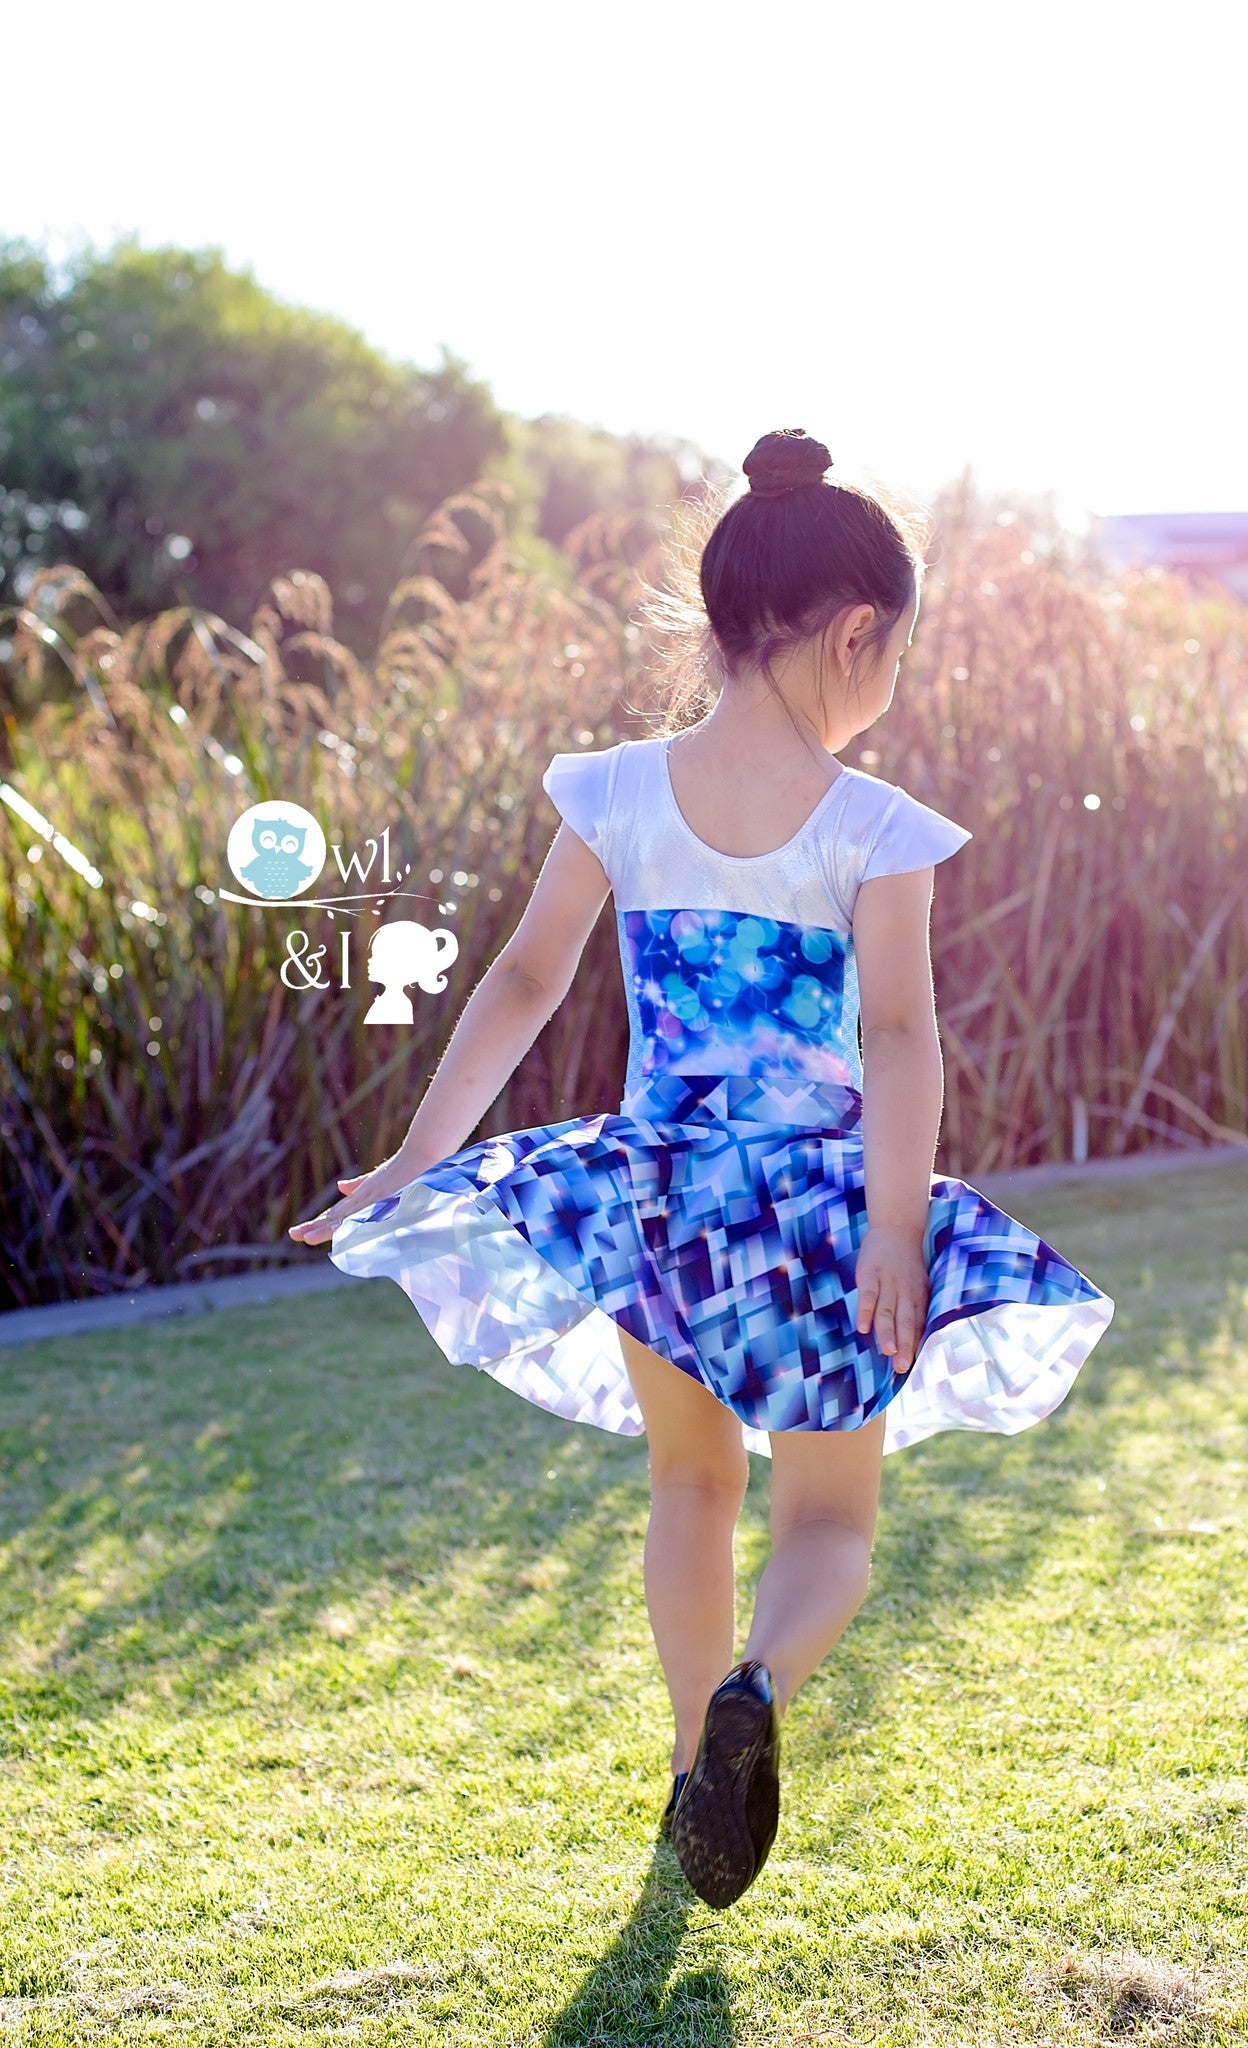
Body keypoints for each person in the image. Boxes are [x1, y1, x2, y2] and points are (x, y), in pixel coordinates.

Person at [289, 428, 1115, 1910]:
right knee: (831, 1522)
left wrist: (420, 1153)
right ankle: (759, 1686)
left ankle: (692, 1766)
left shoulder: (615, 791)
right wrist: (894, 1230)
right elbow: (898, 1036)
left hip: (660, 1201)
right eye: (896, 654)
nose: (890, 683)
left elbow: (523, 980)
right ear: (855, 632)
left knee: (690, 1483)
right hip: (819, 1216)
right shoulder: (874, 827)